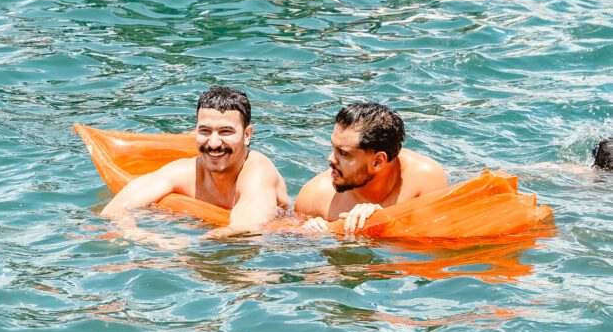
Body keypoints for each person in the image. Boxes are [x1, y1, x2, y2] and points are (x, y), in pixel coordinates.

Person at [102, 86, 289, 236]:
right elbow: (114, 209)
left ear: (247, 135)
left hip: (281, 250)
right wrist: (138, 234)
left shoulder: (258, 173)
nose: (214, 143)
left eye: (226, 131)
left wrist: (186, 245)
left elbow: (247, 229)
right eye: (205, 131)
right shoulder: (185, 171)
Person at [295, 102, 448, 233]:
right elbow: (281, 235)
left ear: (378, 161)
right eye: (333, 148)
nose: (330, 158)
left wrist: (383, 221)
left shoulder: (425, 179)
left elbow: (439, 244)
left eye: (343, 153)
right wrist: (309, 235)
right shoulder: (315, 197)